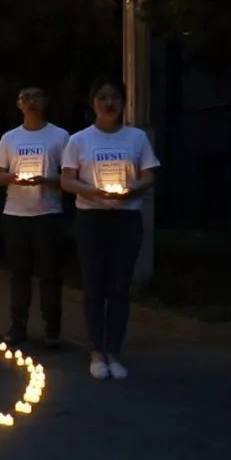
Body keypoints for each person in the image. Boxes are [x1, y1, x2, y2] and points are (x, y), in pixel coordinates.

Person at [61, 77, 160, 380]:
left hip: (126, 218)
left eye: (115, 97)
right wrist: (91, 191)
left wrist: (132, 190)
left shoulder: (136, 138)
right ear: (93, 103)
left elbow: (150, 174)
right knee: (94, 286)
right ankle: (95, 351)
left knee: (119, 287)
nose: (109, 103)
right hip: (91, 218)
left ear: (123, 102)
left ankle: (114, 351)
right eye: (102, 97)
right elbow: (67, 179)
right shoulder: (79, 140)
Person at [0, 86, 70, 347]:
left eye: (36, 96)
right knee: (19, 274)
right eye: (25, 97)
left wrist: (47, 180)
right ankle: (18, 325)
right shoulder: (10, 138)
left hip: (48, 213)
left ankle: (51, 328)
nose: (31, 102)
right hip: (15, 213)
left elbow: (70, 177)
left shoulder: (60, 136)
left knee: (50, 274)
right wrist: (12, 178)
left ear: (46, 101)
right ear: (18, 104)